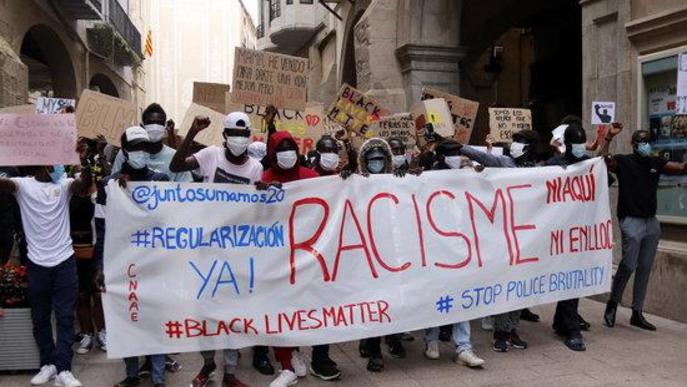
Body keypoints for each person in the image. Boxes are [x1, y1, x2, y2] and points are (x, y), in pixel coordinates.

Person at [170, 113, 259, 387]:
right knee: (206, 312)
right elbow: (175, 166)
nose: (239, 139)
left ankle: (230, 373)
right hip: (207, 251)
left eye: (244, 135)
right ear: (224, 136)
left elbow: (256, 209)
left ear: (250, 137)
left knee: (232, 314)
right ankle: (207, 366)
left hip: (237, 254)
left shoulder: (255, 168)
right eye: (234, 133)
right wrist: (192, 134)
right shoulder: (210, 155)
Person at [0, 161, 92, 387]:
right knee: (39, 317)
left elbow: (82, 186)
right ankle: (48, 364)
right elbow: (4, 185)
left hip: (64, 262)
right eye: (54, 163)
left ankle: (64, 369)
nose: (59, 167)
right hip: (36, 263)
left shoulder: (64, 184)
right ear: (42, 164)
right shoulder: (23, 185)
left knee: (65, 317)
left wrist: (88, 166)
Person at [459, 131, 548, 352]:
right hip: (503, 235)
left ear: (530, 147)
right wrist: (457, 146)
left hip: (527, 237)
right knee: (505, 284)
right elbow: (480, 157)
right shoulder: (504, 163)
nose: (515, 145)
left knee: (520, 286)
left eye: (520, 142)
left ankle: (512, 329)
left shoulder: (539, 170)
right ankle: (500, 332)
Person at [602, 129, 686, 330]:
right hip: (631, 221)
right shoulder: (624, 161)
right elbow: (604, 160)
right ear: (634, 144)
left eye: (648, 141)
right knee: (629, 265)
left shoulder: (655, 162)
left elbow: (681, 168)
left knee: (645, 268)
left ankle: (637, 312)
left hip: (651, 223)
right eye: (641, 141)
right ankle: (613, 303)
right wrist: (608, 138)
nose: (645, 144)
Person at [340, 138, 409, 372]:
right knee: (372, 302)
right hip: (367, 253)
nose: (376, 163)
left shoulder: (398, 180)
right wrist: (347, 177)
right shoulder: (357, 182)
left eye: (381, 159)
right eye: (372, 160)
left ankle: (394, 338)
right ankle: (373, 348)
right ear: (364, 162)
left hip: (393, 251)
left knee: (395, 298)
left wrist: (413, 178)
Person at [262, 130, 322, 387]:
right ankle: (285, 364)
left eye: (290, 147)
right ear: (272, 154)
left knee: (299, 309)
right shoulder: (266, 178)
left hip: (304, 257)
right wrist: (261, 193)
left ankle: (294, 351)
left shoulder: (311, 177)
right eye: (280, 148)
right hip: (277, 259)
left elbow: (331, 199)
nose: (286, 152)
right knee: (278, 309)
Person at [422, 139, 486, 368]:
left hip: (462, 247)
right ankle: (431, 339)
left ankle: (464, 347)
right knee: (437, 295)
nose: (455, 157)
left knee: (462, 294)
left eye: (458, 153)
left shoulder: (467, 174)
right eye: (450, 153)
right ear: (440, 157)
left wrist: (481, 175)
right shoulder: (428, 177)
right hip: (436, 248)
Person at [545, 123, 592, 351]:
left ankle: (561, 321)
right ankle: (572, 329)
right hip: (560, 233)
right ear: (568, 144)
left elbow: (604, 182)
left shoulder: (589, 163)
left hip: (579, 234)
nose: (581, 148)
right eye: (577, 144)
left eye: (584, 144)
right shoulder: (555, 165)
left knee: (574, 279)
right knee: (568, 279)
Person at [111, 103, 193, 182]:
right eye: (150, 122)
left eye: (159, 123)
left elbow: (186, 186)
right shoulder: (125, 153)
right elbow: (112, 182)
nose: (155, 127)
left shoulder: (175, 156)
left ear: (165, 126)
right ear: (142, 126)